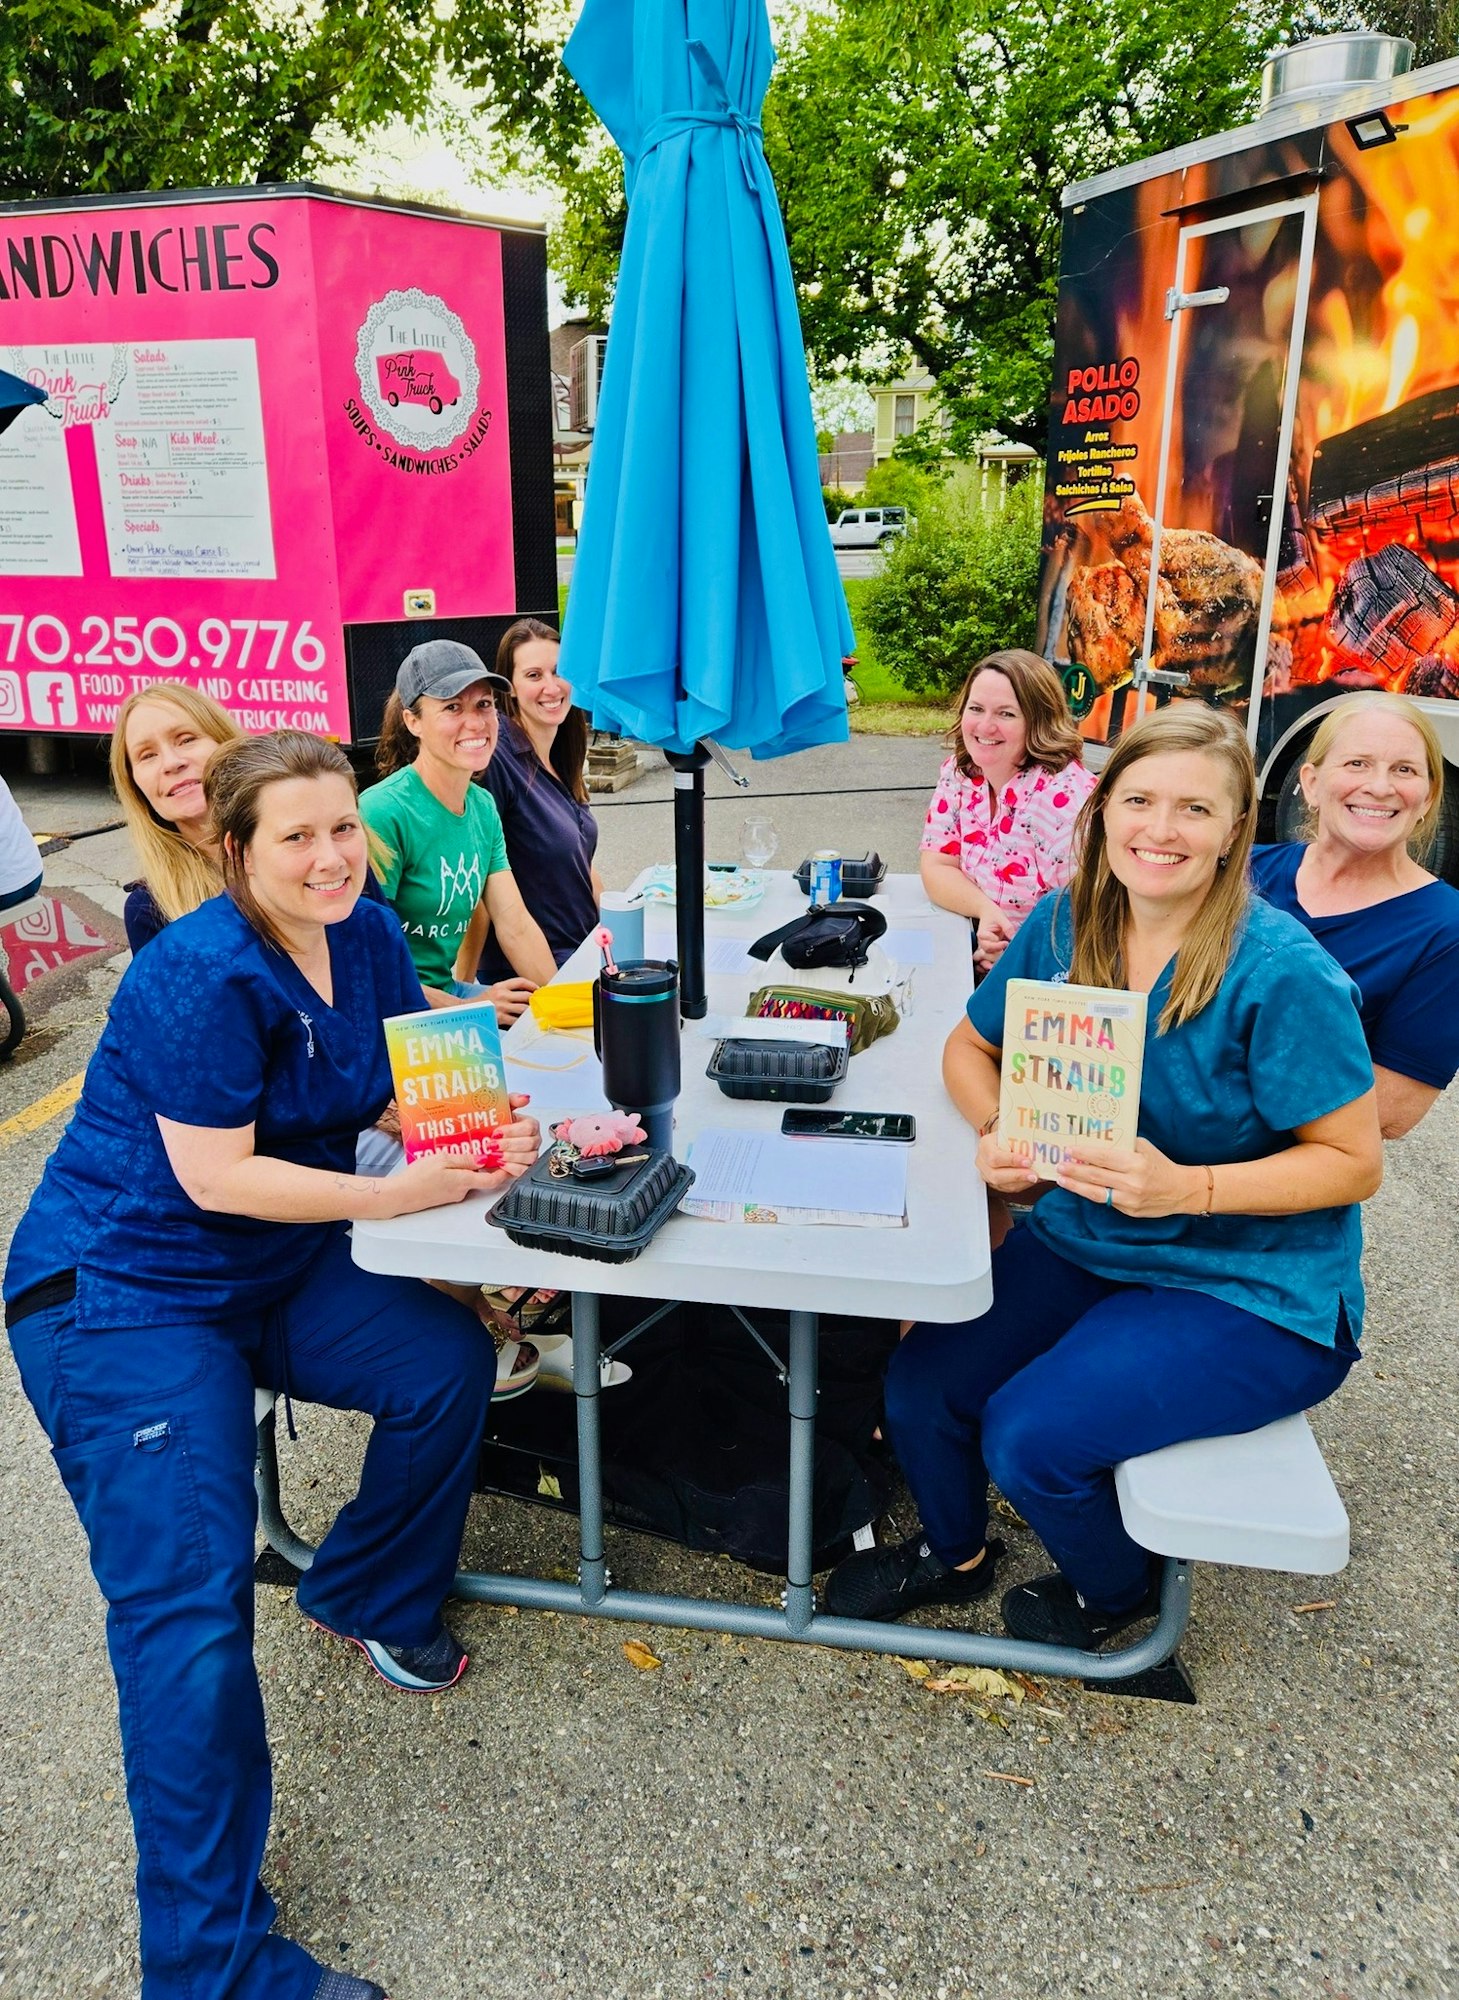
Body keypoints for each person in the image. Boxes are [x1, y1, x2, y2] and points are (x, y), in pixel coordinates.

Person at [4, 730, 541, 2000]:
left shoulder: (359, 936)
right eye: (295, 835)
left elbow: (414, 1085)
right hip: (129, 1294)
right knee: (187, 1617)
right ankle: (208, 1967)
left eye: (343, 826)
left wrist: (493, 1131)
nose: (330, 855)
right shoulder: (196, 972)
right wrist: (411, 1189)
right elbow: (214, 1173)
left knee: (443, 1363)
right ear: (231, 849)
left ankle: (358, 1590)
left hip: (266, 1268)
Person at [826, 707, 1382, 1646]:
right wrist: (998, 1127)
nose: (1160, 831)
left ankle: (1114, 1593)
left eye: (1194, 811)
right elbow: (968, 1047)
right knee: (920, 1385)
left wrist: (1189, 1189)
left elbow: (1353, 1162)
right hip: (1093, 1234)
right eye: (1140, 801)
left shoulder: (1282, 973)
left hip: (1248, 1282)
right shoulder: (1064, 922)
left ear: (1233, 832)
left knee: (1030, 1436)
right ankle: (954, 1556)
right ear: (1101, 810)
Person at [1251, 692, 1459, 1139]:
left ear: (1427, 798)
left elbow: (1389, 1112)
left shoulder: (1445, 929)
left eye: (1404, 770)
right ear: (1310, 783)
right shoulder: (1242, 872)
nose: (1380, 786)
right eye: (1357, 764)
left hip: (1282, 1188)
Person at [360, 639, 555, 1020]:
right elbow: (363, 963)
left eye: (484, 704)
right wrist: (469, 1009)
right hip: (394, 1013)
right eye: (452, 707)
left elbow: (514, 923)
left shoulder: (481, 808)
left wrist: (564, 1006)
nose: (476, 722)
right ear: (412, 721)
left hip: (448, 995)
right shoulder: (383, 811)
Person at [919, 648, 1096, 974]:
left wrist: (1015, 960)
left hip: (1048, 983)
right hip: (979, 956)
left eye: (1006, 714)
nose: (985, 726)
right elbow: (937, 865)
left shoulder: (1064, 805)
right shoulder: (960, 775)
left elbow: (1092, 927)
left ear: (1039, 721)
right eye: (976, 709)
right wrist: (985, 910)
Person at [476, 617, 602, 983]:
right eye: (533, 675)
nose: (551, 687)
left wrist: (620, 928)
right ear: (510, 687)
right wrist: (463, 993)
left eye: (558, 671)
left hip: (584, 951)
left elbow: (583, 862)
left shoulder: (561, 748)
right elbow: (479, 880)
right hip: (532, 973)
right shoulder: (497, 757)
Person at [110, 682, 244, 953]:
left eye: (186, 739)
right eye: (147, 755)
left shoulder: (312, 848)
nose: (172, 762)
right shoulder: (148, 909)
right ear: (136, 785)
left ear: (228, 743)